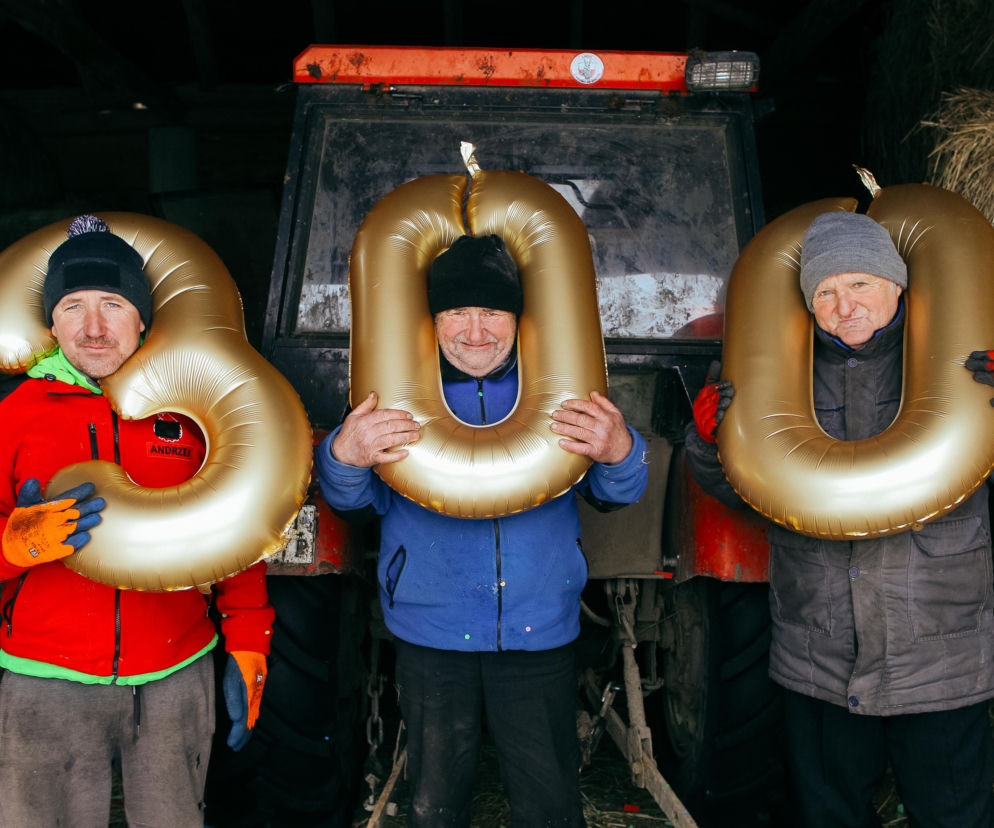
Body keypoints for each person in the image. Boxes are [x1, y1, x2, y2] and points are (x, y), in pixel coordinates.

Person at [316, 233, 648, 828]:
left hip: (538, 629)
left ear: (518, 319)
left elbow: (614, 494)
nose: (475, 331)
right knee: (436, 806)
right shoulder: (395, 397)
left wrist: (620, 450)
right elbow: (353, 500)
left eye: (492, 311)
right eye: (456, 313)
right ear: (433, 321)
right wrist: (342, 454)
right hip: (432, 631)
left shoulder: (559, 397)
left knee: (549, 805)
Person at [686, 211, 994, 828]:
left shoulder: (963, 373)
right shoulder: (775, 379)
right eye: (825, 291)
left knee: (955, 815)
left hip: (938, 653)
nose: (843, 305)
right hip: (819, 651)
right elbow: (743, 492)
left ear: (897, 287)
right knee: (829, 815)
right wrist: (710, 442)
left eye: (860, 285)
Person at [0, 215, 275, 827]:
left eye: (113, 304)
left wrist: (248, 639)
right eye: (73, 306)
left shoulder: (191, 409)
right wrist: (16, 543)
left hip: (175, 675)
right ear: (50, 323)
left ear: (144, 318)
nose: (93, 328)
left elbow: (237, 528)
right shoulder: (15, 416)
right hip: (46, 680)